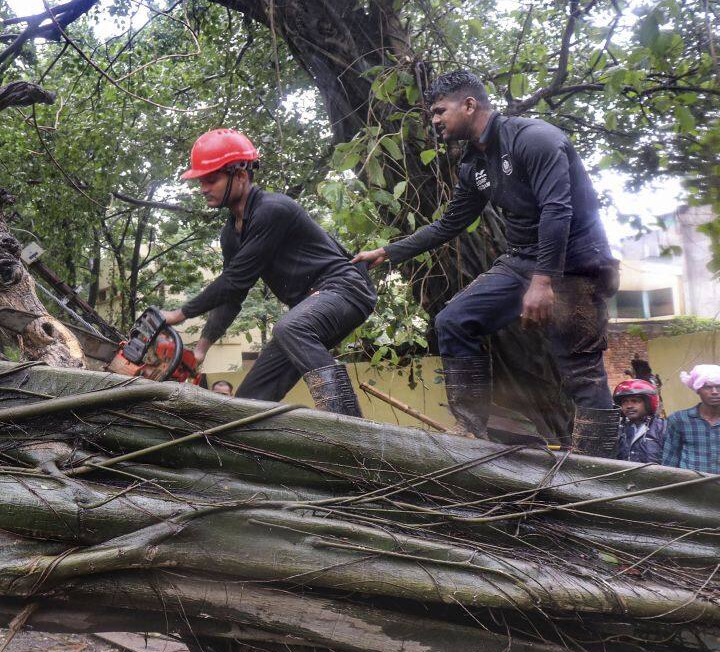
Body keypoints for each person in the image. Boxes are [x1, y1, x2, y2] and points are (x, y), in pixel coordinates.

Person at [352, 70, 620, 454]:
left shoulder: (535, 139)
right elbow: (450, 223)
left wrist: (543, 282)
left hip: (576, 265)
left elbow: (556, 211)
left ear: (470, 104)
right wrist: (388, 252)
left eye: (440, 111)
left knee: (579, 369)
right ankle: (472, 428)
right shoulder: (474, 165)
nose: (435, 121)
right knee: (454, 321)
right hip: (522, 261)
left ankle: (605, 469)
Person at [161, 129, 377, 415]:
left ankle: (351, 423)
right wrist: (201, 349)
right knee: (248, 402)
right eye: (201, 180)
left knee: (290, 327)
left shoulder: (272, 209)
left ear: (240, 176)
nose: (203, 188)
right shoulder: (230, 235)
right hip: (309, 306)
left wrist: (179, 314)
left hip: (345, 290)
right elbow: (232, 295)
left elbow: (234, 279)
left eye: (211, 179)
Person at [661, 364, 720, 474]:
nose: (715, 392)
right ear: (698, 390)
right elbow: (669, 463)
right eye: (707, 387)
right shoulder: (679, 420)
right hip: (691, 488)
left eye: (719, 386)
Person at [613, 379, 665, 464]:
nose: (629, 406)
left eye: (635, 401)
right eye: (624, 402)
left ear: (648, 403)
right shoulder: (618, 431)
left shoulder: (663, 428)